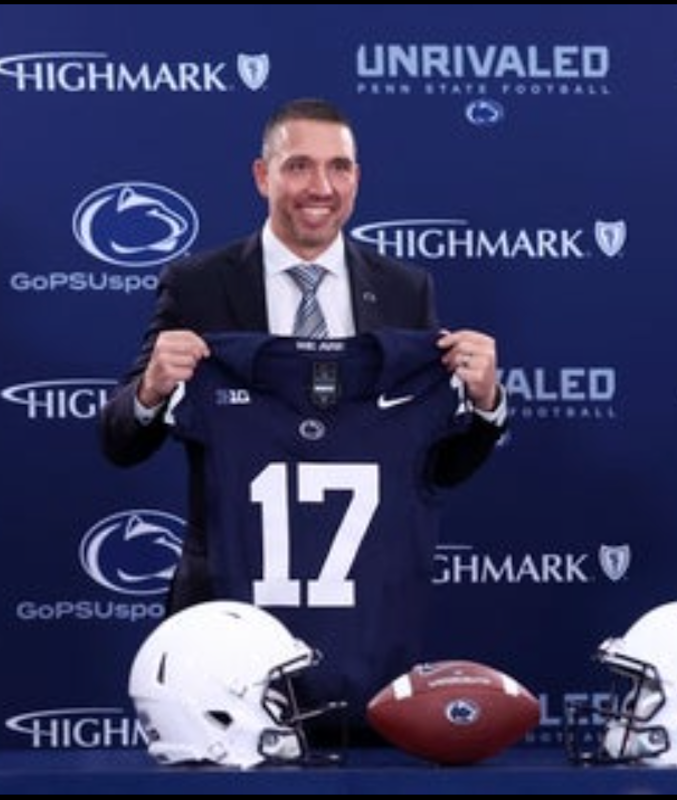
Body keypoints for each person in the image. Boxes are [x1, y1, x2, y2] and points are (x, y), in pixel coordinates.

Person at [101, 97, 507, 742]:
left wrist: (484, 404)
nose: (320, 187)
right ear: (263, 176)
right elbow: (119, 441)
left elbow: (438, 464)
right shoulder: (199, 284)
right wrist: (151, 387)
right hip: (225, 614)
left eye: (339, 167)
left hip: (363, 618)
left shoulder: (406, 289)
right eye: (298, 167)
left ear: (357, 178)